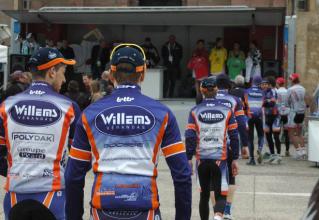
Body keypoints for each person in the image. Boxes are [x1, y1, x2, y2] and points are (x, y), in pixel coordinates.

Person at [65, 44, 192, 220]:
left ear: (111, 74)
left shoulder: (90, 114)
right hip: (145, 207)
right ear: (143, 73)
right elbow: (182, 175)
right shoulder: (163, 114)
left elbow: (73, 176)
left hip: (103, 208)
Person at [0, 47, 80, 219]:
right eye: (63, 72)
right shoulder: (69, 107)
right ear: (52, 71)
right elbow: (78, 158)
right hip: (53, 196)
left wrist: (13, 171)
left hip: (15, 194)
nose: (65, 79)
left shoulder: (7, 104)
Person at [185, 76, 239, 220]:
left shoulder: (194, 111)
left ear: (202, 90)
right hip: (220, 159)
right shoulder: (227, 110)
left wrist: (188, 158)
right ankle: (218, 217)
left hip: (201, 160)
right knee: (221, 194)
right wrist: (235, 158)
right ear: (216, 90)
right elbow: (234, 136)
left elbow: (190, 136)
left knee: (204, 195)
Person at [215, 74, 248, 219]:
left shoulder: (208, 99)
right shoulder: (235, 100)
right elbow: (241, 124)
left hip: (209, 145)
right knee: (231, 178)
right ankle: (227, 211)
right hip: (228, 144)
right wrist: (245, 144)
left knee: (212, 180)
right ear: (230, 86)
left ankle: (217, 213)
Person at [261, 77, 282, 164]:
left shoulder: (273, 91)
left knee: (276, 136)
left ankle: (278, 155)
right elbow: (263, 103)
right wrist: (266, 102)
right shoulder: (262, 92)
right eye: (263, 84)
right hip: (267, 116)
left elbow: (271, 103)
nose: (264, 86)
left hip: (275, 116)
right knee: (268, 136)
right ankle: (273, 154)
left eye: (266, 84)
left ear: (269, 85)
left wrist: (265, 102)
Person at [286, 73, 307, 159]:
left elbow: (287, 101)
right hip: (302, 112)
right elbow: (305, 99)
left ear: (292, 80)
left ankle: (298, 152)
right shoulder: (303, 88)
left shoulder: (290, 89)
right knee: (299, 133)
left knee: (291, 133)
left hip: (294, 112)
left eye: (290, 79)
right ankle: (303, 151)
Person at [245, 75, 265, 165]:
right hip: (259, 116)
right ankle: (260, 149)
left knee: (250, 138)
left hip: (249, 116)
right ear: (260, 83)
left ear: (252, 82)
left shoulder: (247, 91)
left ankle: (251, 159)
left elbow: (244, 104)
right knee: (261, 135)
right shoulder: (262, 92)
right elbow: (263, 103)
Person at [187, 39, 209, 104]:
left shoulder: (206, 52)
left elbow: (208, 60)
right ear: (197, 45)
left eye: (201, 44)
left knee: (203, 81)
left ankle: (203, 94)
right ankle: (197, 94)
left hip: (204, 69)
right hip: (196, 68)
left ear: (203, 45)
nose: (200, 45)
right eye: (199, 44)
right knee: (196, 81)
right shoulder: (194, 51)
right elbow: (192, 60)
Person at [276, 77, 291, 156]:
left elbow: (276, 102)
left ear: (278, 83)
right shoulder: (287, 91)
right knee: (286, 133)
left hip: (279, 113)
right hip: (287, 113)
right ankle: (287, 150)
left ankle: (278, 152)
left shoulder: (277, 91)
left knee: (277, 133)